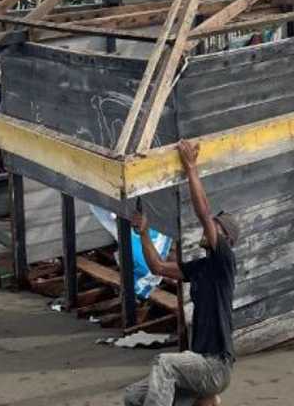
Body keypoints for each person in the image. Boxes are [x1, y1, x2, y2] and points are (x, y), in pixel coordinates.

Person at [124, 139, 238, 406]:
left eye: (215, 227)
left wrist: (191, 168)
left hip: (214, 366)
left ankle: (208, 396)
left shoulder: (224, 262)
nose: (208, 229)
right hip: (197, 366)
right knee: (133, 397)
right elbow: (158, 268)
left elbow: (204, 214)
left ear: (225, 240)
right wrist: (143, 234)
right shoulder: (201, 268)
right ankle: (210, 401)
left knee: (164, 363)